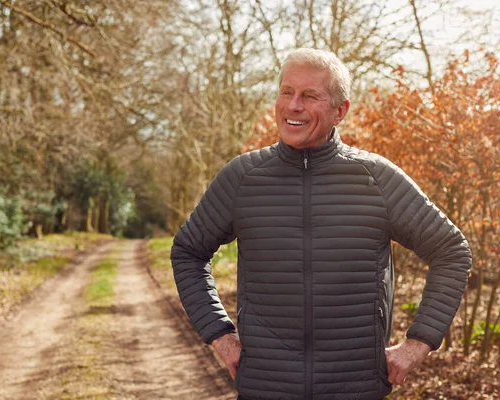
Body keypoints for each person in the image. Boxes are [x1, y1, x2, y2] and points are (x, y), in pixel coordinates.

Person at [170, 48, 471, 400]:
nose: (293, 105)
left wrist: (417, 345)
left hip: (355, 389)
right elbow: (188, 252)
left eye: (309, 96)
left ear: (339, 111)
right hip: (266, 388)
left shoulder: (376, 179)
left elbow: (451, 251)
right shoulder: (243, 177)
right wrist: (220, 335)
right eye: (286, 92)